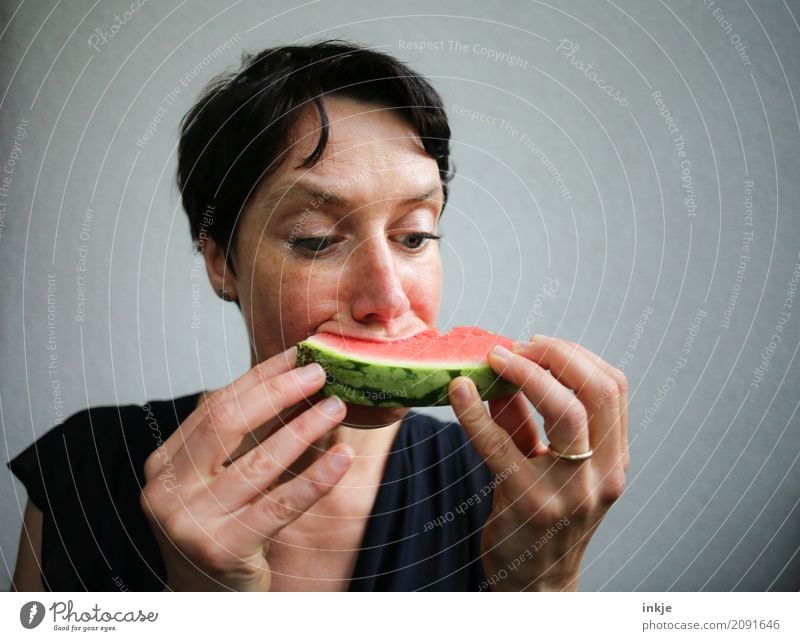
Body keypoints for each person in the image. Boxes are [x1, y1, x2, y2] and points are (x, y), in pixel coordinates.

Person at [8, 40, 628, 591]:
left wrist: (544, 590)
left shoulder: (506, 489)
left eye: (414, 236)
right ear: (221, 260)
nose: (389, 298)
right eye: (314, 239)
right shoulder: (86, 468)